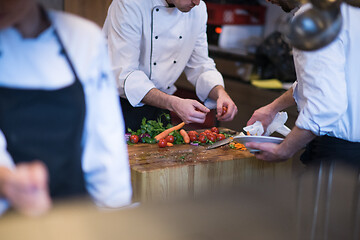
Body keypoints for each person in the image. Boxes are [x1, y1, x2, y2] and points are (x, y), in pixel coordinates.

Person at [0, 0, 132, 216]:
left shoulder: (83, 39)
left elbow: (105, 151)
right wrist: (7, 182)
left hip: (77, 218)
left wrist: (112, 221)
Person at [246, 1, 360, 166]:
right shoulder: (349, 10)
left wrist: (284, 149)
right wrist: (272, 108)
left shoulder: (311, 19)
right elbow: (327, 83)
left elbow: (326, 103)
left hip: (335, 152)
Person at [103, 0, 238, 130]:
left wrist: (220, 93)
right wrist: (173, 103)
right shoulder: (129, 4)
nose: (196, 2)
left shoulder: (198, 10)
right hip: (118, 108)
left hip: (161, 107)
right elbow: (124, 74)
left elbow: (200, 64)